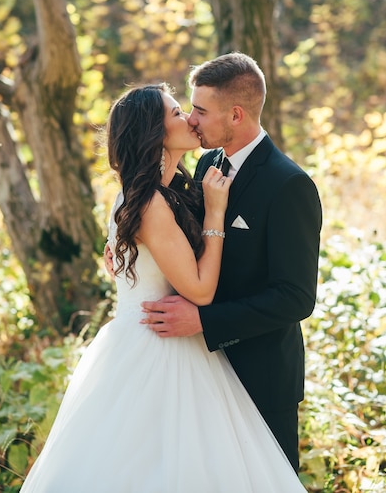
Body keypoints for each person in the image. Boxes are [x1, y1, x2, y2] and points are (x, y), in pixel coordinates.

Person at [20, 83, 307, 492]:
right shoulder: (151, 202)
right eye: (178, 113)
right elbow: (201, 292)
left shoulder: (168, 189)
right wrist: (217, 212)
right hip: (158, 348)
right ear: (154, 132)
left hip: (177, 342)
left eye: (191, 110)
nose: (189, 119)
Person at [140, 53, 323, 473]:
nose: (191, 119)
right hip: (200, 373)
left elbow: (295, 298)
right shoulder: (206, 163)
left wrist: (206, 321)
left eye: (201, 110)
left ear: (236, 114)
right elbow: (173, 234)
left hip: (261, 375)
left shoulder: (289, 185)